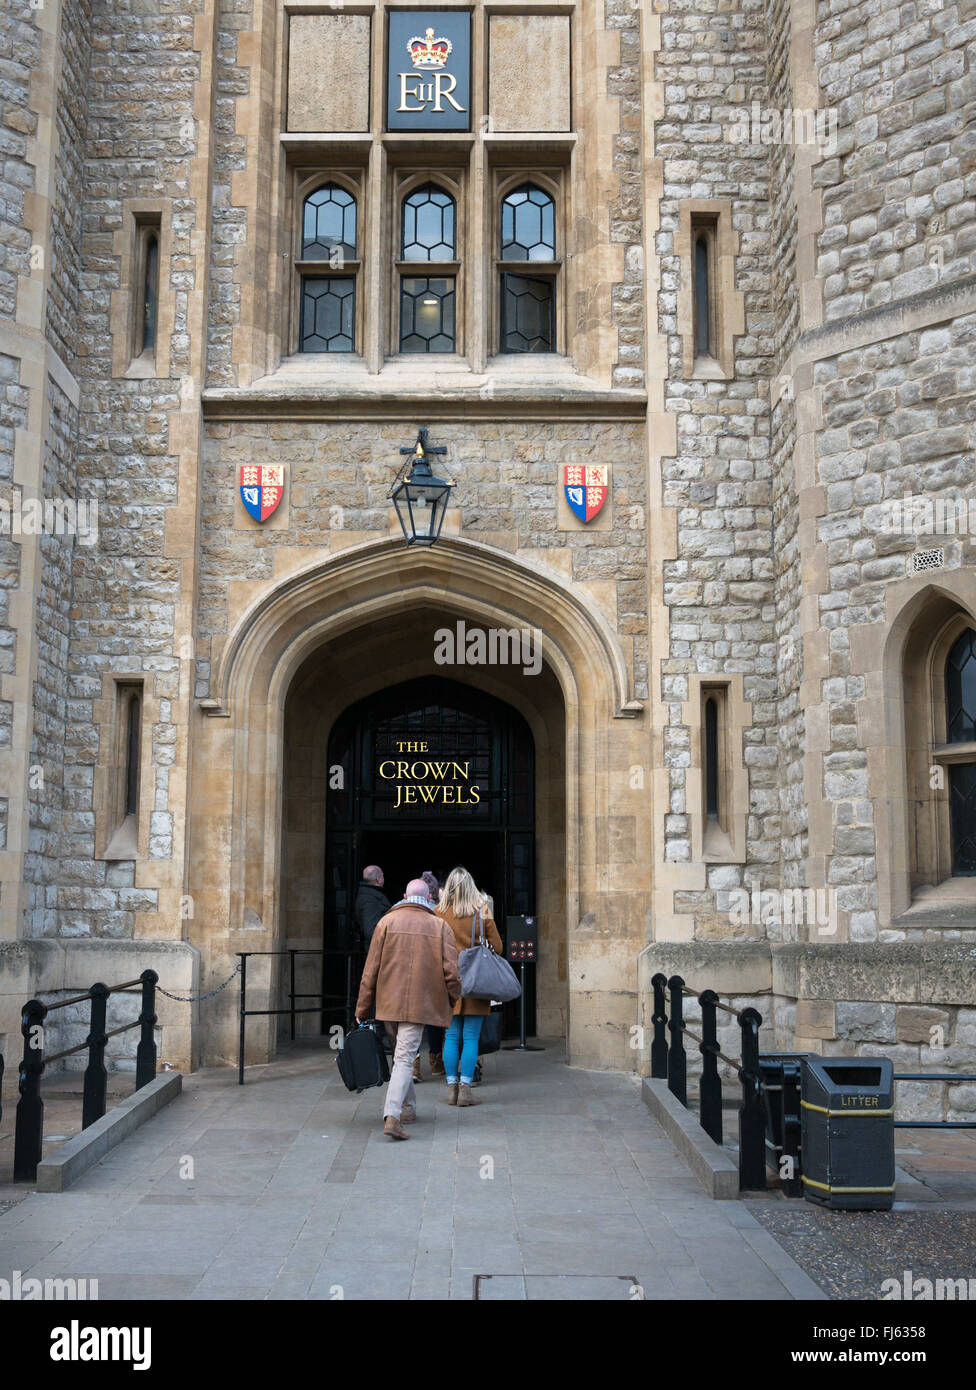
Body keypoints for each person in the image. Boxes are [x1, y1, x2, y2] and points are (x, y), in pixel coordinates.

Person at [355, 877, 461, 1140]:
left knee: (401, 1055)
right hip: (419, 1004)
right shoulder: (439, 925)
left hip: (388, 1003)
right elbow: (452, 972)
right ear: (429, 898)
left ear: (404, 895)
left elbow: (370, 970)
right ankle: (392, 1115)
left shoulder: (386, 922)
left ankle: (409, 1109)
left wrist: (363, 1007)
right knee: (404, 1057)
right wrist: (453, 998)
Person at [437, 866, 504, 1108]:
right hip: (476, 981)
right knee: (471, 1037)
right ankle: (466, 1088)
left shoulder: (438, 913)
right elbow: (498, 946)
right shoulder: (482, 911)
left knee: (451, 1036)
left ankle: (451, 1088)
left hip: (448, 980)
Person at [414, 870, 447, 1082]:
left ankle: (414, 1066)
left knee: (414, 1020)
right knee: (435, 1020)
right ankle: (435, 1063)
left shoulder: (400, 912)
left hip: (413, 973)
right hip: (435, 973)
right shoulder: (441, 915)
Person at [353, 865, 390, 949]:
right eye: (382, 875)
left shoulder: (370, 895)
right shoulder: (370, 900)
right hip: (377, 951)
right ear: (379, 879)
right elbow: (371, 931)